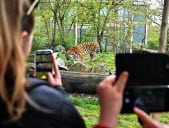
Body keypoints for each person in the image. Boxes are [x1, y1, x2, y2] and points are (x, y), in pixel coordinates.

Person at [0, 0, 168, 128]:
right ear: (21, 40)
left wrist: (58, 90)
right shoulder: (50, 107)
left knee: (89, 55)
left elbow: (80, 56)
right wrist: (108, 117)